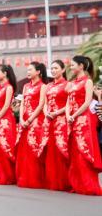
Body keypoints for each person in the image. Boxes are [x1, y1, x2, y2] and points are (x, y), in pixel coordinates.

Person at [66, 55, 102, 195]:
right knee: (75, 152)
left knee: (83, 152)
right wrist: (69, 115)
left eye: (73, 65)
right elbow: (69, 101)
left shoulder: (87, 82)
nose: (71, 67)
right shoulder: (73, 83)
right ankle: (78, 184)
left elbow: (87, 102)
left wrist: (74, 115)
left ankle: (88, 185)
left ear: (81, 66)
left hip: (84, 120)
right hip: (73, 119)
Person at [15, 62, 48, 189]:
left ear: (38, 71)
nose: (28, 72)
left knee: (34, 148)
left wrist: (30, 119)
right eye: (27, 70)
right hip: (24, 120)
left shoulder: (43, 86)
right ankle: (24, 177)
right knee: (24, 149)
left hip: (36, 120)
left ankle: (36, 179)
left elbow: (41, 105)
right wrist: (22, 118)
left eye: (30, 70)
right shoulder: (26, 86)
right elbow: (23, 103)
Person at [41, 60, 70, 191]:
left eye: (56, 68)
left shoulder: (68, 85)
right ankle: (52, 180)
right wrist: (47, 112)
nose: (53, 70)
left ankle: (64, 181)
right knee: (50, 150)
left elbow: (70, 104)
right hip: (49, 120)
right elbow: (45, 103)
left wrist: (56, 113)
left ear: (63, 70)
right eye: (51, 68)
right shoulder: (48, 86)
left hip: (61, 121)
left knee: (61, 149)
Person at [0, 65, 17, 185]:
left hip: (5, 120)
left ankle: (9, 176)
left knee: (5, 146)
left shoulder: (9, 87)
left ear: (5, 73)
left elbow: (6, 106)